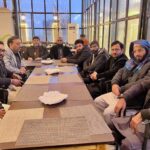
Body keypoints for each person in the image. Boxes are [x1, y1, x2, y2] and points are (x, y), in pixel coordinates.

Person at [95, 40, 150, 128]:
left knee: (108, 113)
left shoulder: (148, 65)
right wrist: (114, 83)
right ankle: (103, 126)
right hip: (122, 93)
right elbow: (120, 72)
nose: (137, 54)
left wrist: (121, 90)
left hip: (134, 99)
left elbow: (141, 84)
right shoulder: (132, 62)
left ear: (147, 50)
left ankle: (112, 133)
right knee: (97, 101)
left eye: (140, 50)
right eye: (135, 51)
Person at [112, 79, 150, 150]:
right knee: (111, 123)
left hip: (146, 118)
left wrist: (144, 114)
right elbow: (141, 85)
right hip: (145, 118)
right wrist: (124, 97)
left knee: (127, 144)